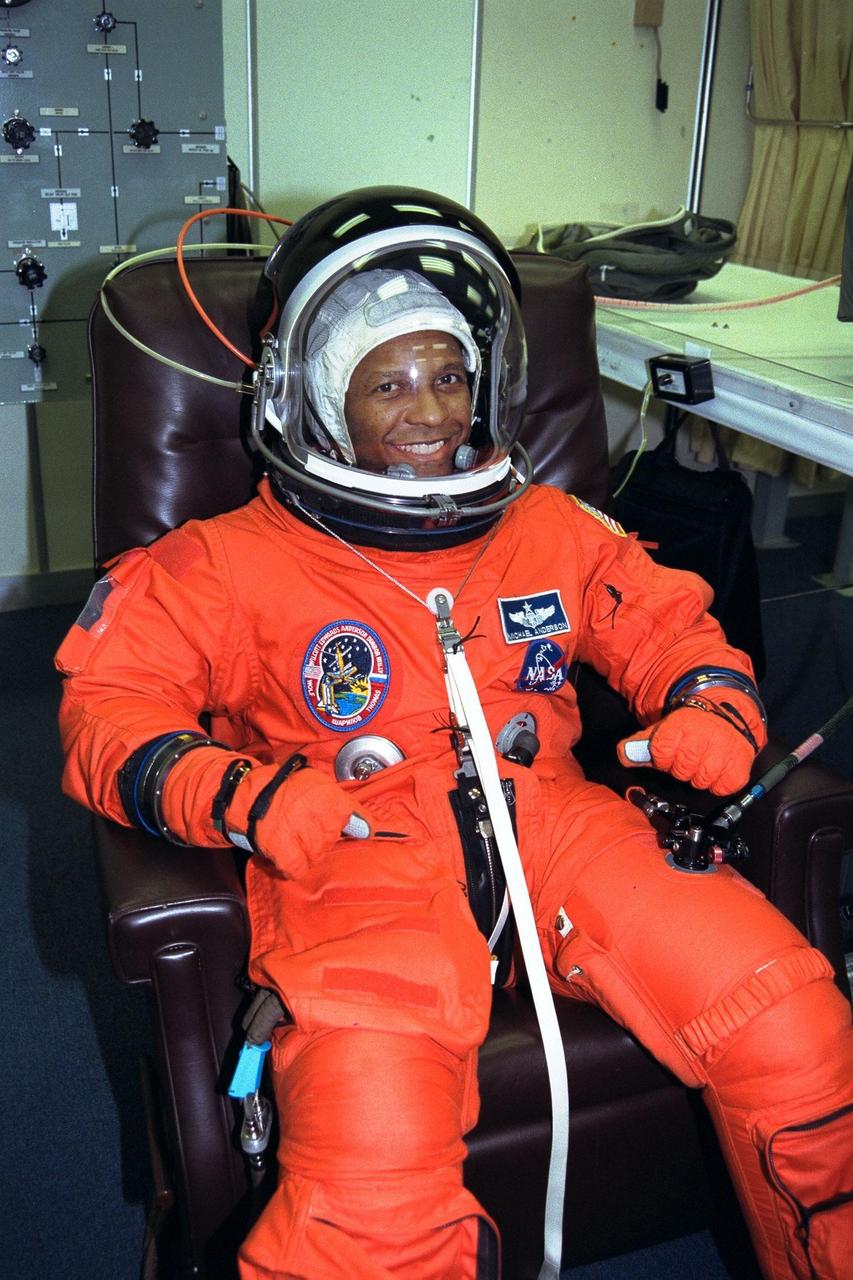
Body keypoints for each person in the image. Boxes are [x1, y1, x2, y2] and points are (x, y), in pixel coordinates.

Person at [56, 188, 853, 1280]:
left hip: (560, 824)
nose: (430, 410)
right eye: (387, 381)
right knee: (368, 1168)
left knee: (796, 1027)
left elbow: (671, 624)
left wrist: (713, 705)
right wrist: (243, 795)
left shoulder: (547, 524)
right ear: (319, 402)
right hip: (355, 853)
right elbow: (108, 709)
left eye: (448, 374)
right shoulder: (224, 562)